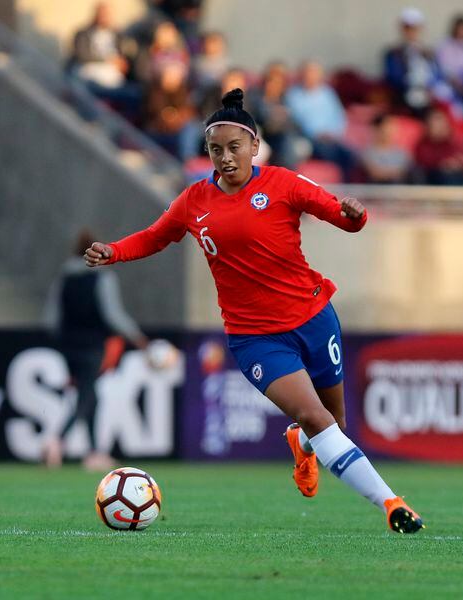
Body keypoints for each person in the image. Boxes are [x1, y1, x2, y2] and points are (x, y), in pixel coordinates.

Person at [83, 89, 424, 534]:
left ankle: (301, 446)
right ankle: (392, 504)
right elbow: (155, 236)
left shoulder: (283, 183)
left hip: (314, 317)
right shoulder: (194, 201)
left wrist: (355, 216)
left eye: (233, 148)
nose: (224, 158)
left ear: (254, 146)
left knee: (334, 425)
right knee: (318, 418)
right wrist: (114, 251)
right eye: (214, 150)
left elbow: (340, 215)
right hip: (256, 339)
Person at [43, 230, 149, 470]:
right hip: (92, 344)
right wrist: (137, 337)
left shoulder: (64, 278)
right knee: (88, 394)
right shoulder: (102, 278)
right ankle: (57, 440)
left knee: (90, 394)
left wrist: (65, 337)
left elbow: (51, 318)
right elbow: (113, 315)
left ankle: (92, 453)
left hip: (68, 345)